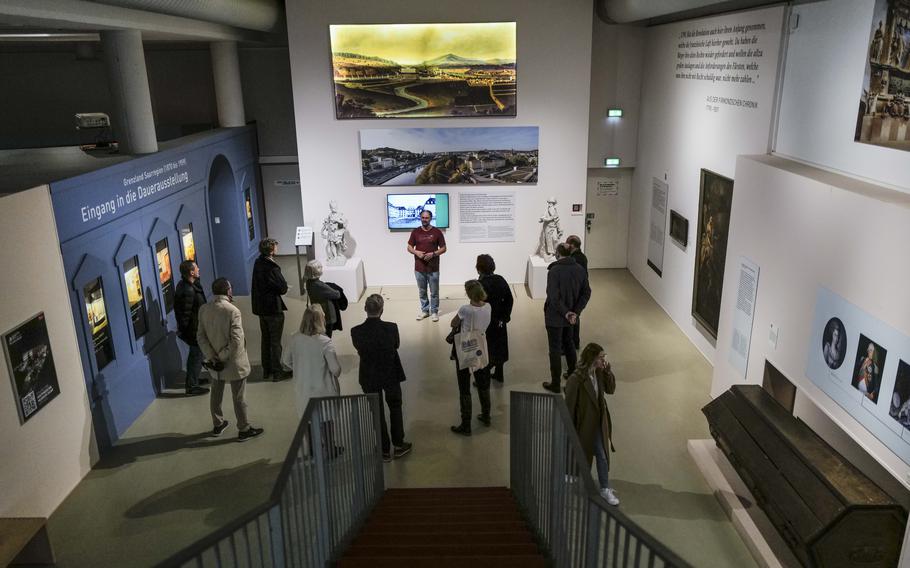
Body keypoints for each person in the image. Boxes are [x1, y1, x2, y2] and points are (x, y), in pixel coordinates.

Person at [197, 278, 263, 441]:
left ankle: (218, 424)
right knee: (239, 397)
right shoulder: (232, 311)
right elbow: (236, 340)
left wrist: (212, 357)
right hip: (233, 362)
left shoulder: (204, 309)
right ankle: (244, 428)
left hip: (215, 363)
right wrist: (221, 357)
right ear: (228, 291)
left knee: (216, 394)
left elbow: (201, 336)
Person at [351, 294, 412, 462]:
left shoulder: (356, 331)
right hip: (391, 373)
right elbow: (396, 345)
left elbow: (359, 349)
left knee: (376, 412)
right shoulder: (392, 328)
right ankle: (398, 445)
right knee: (395, 407)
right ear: (382, 310)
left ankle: (384, 449)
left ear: (365, 309)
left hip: (369, 376)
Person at [564, 343, 618, 506]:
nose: (604, 360)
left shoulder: (600, 373)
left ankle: (604, 488)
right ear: (593, 358)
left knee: (601, 455)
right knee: (580, 451)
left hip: (598, 423)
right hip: (583, 423)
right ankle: (570, 473)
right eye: (602, 357)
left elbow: (611, 390)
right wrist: (569, 427)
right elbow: (570, 405)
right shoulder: (576, 379)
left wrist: (608, 371)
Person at [542, 243, 591, 393]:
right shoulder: (580, 269)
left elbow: (554, 297)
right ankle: (572, 375)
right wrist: (575, 312)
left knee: (555, 349)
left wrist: (567, 313)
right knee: (569, 342)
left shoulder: (554, 271)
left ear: (557, 253)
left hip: (555, 317)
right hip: (571, 317)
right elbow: (586, 293)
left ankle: (556, 384)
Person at [282, 304, 341, 417]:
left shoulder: (294, 338)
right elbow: (336, 370)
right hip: (324, 393)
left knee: (309, 428)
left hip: (303, 392)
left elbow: (286, 360)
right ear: (320, 320)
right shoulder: (325, 342)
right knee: (327, 429)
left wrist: (300, 369)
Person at [450, 280, 492, 436]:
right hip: (481, 347)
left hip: (466, 348)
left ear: (468, 293)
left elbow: (453, 323)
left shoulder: (465, 310)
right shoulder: (488, 307)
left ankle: (466, 424)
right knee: (483, 384)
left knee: (464, 387)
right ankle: (486, 416)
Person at [251, 237, 289, 382]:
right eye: (275, 246)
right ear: (271, 250)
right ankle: (277, 372)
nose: (277, 248)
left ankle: (266, 370)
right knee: (275, 341)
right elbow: (283, 288)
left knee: (265, 339)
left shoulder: (258, 262)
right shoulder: (272, 268)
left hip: (261, 308)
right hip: (272, 308)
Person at [173, 260, 209, 396]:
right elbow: (185, 315)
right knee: (196, 355)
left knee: (197, 355)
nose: (199, 269)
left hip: (196, 327)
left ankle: (194, 379)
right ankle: (191, 386)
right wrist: (189, 332)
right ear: (191, 272)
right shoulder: (187, 290)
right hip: (193, 330)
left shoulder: (191, 285)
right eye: (196, 267)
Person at [476, 254, 513, 383]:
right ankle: (499, 374)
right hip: (500, 320)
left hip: (486, 322)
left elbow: (477, 304)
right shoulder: (500, 279)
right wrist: (505, 317)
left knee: (487, 349)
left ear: (479, 268)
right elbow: (509, 299)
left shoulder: (481, 284)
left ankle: (485, 378)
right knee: (500, 346)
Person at [407, 209, 446, 322]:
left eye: (426, 218)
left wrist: (433, 254)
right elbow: (409, 247)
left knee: (434, 292)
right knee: (422, 291)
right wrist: (416, 252)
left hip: (433, 268)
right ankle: (425, 311)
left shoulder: (437, 232)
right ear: (420, 218)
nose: (424, 219)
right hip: (419, 268)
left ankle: (434, 312)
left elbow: (444, 248)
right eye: (423, 217)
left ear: (430, 218)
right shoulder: (415, 232)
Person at [304, 260, 341, 338]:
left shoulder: (308, 282)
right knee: (327, 336)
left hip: (317, 311)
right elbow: (336, 294)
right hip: (326, 314)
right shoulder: (320, 286)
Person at [566, 235, 589, 350]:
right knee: (575, 317)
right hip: (578, 293)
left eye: (567, 243)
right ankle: (575, 343)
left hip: (575, 293)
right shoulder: (582, 257)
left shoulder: (575, 259)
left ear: (572, 245)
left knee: (572, 317)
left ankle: (572, 343)